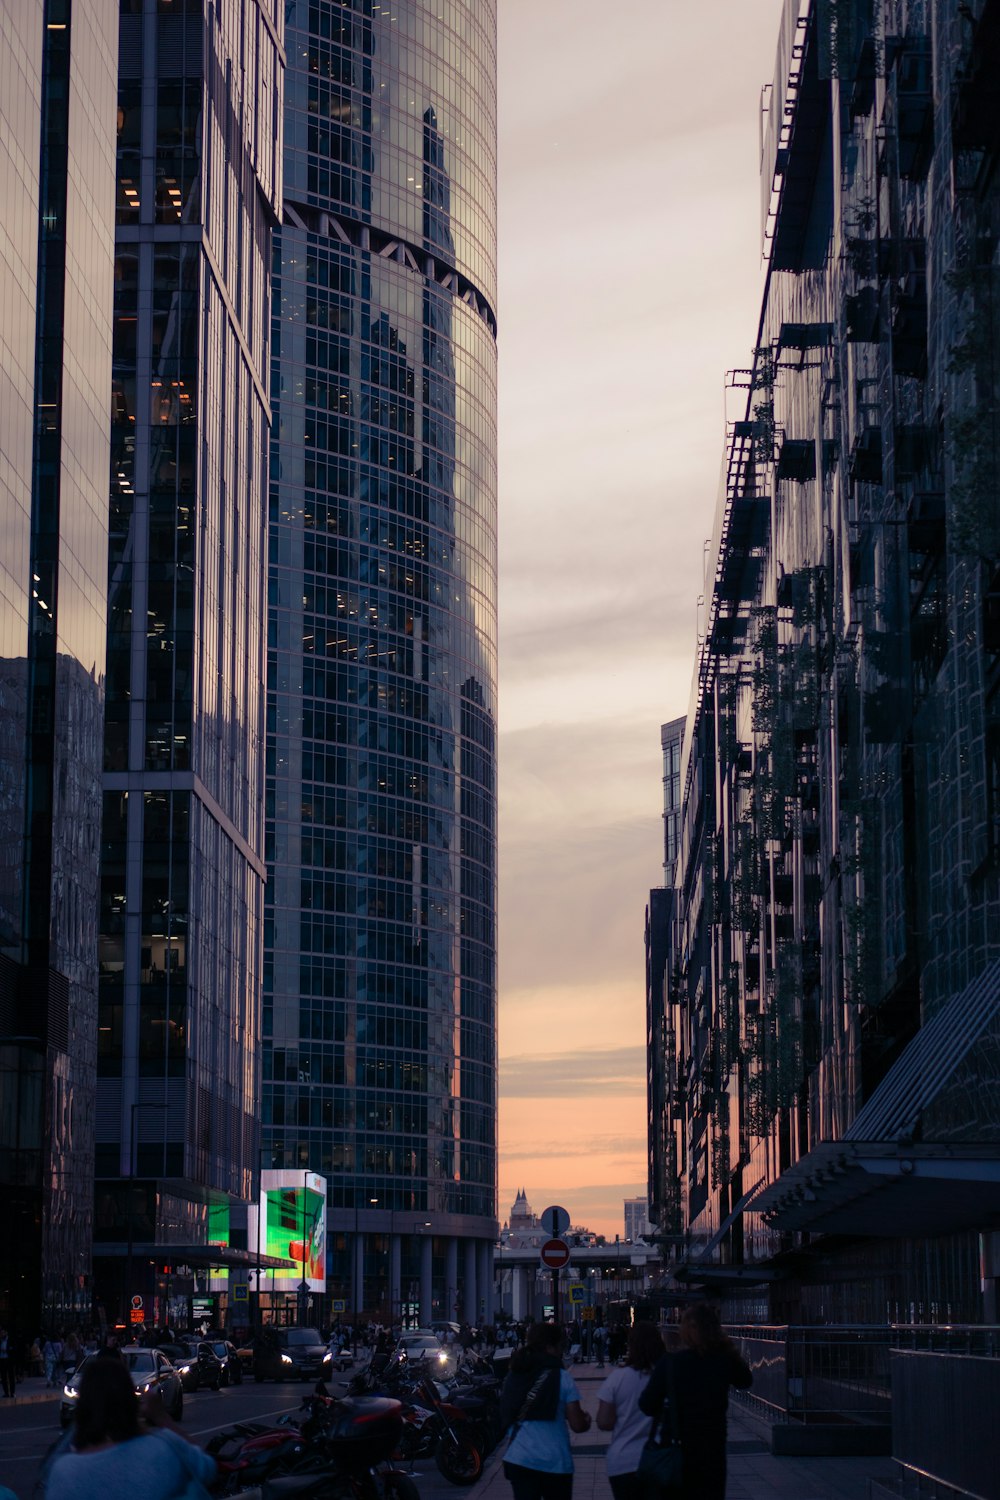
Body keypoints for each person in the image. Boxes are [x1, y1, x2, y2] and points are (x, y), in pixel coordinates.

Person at [45, 1355, 216, 1500]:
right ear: (130, 1400)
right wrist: (162, 1417)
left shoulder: (64, 1472)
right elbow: (207, 1468)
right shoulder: (163, 1448)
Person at [638, 1303, 752, 1500]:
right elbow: (745, 1380)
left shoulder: (671, 1363)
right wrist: (726, 1347)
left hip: (677, 1451)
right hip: (713, 1451)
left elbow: (647, 1405)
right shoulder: (723, 1360)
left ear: (685, 1331)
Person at [500, 1322, 591, 1500]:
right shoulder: (562, 1377)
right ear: (550, 1347)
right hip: (554, 1462)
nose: (560, 1352)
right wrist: (586, 1419)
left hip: (520, 1458)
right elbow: (578, 1424)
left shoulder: (514, 1374)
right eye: (559, 1346)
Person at [596, 1321, 666, 1500]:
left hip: (623, 1462)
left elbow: (604, 1422)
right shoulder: (667, 1375)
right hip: (661, 1460)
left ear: (631, 1345)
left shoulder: (618, 1378)